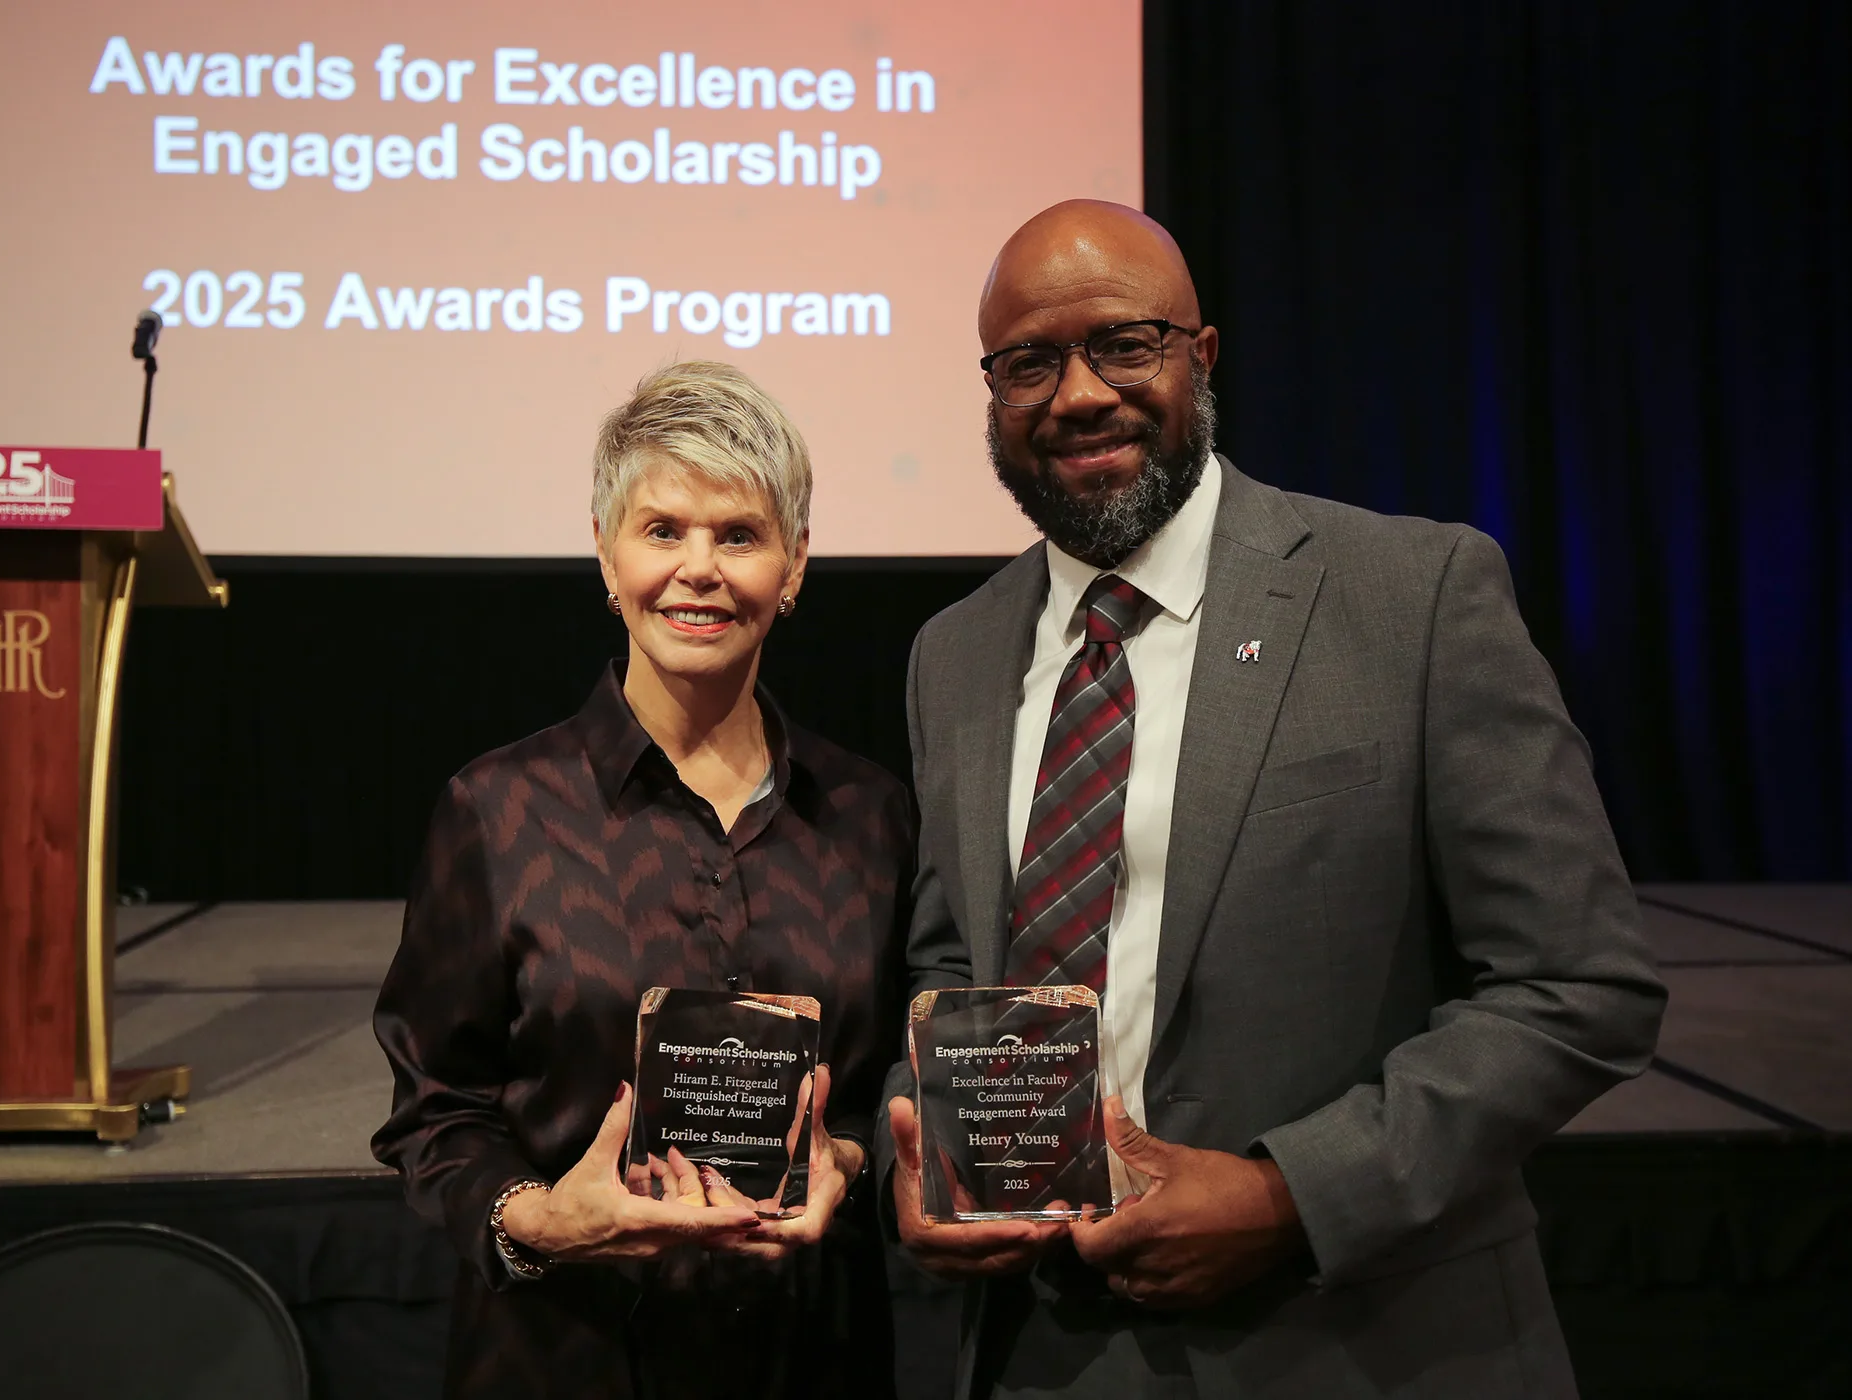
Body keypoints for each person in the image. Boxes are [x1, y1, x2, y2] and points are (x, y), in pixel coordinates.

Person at [878, 201, 1667, 1397]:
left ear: (1202, 354)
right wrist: (923, 1148)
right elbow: (954, 969)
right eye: (1028, 363)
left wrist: (1289, 1192)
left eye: (1124, 344)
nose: (1077, 394)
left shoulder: (1414, 594)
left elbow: (1581, 984)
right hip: (1038, 1350)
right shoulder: (956, 652)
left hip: (1357, 1337)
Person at [374, 362, 911, 1399]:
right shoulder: (497, 810)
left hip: (812, 1355)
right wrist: (536, 1217)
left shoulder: (872, 812)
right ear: (606, 554)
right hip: (564, 1355)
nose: (698, 569)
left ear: (795, 565)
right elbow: (433, 1109)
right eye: (662, 529)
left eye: (739, 535)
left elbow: (891, 1071)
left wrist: (843, 1162)